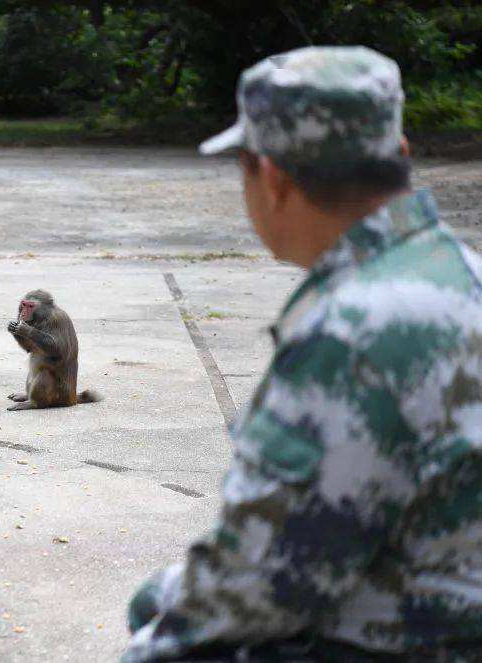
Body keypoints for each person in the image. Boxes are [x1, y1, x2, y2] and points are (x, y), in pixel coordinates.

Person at [124, 46, 482, 662]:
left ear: (272, 178)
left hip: (420, 638)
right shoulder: (461, 273)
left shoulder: (349, 334)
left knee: (173, 630)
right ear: (400, 156)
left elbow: (262, 579)